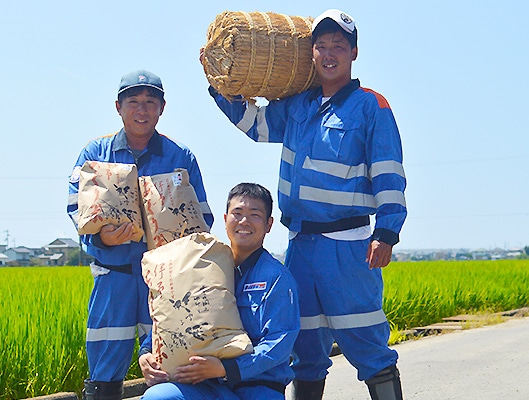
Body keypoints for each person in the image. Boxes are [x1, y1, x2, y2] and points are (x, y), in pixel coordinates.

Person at [202, 9, 407, 400]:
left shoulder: (371, 106)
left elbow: (388, 172)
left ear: (354, 53)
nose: (329, 54)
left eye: (338, 47)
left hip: (347, 247)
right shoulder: (298, 104)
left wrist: (387, 231)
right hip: (300, 247)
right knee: (306, 348)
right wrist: (218, 85)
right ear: (311, 52)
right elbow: (257, 125)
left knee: (366, 341)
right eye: (322, 46)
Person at [67, 69, 214, 400]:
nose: (142, 110)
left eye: (150, 102)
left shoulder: (180, 157)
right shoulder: (95, 154)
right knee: (104, 368)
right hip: (112, 277)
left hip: (165, 283)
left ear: (162, 108)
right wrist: (103, 238)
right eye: (133, 102)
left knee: (166, 368)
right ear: (118, 107)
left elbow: (203, 216)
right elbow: (75, 209)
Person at [138, 183, 301, 400]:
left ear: (269, 224)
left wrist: (227, 368)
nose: (244, 221)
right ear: (225, 220)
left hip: (258, 387)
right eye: (238, 213)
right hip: (208, 386)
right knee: (157, 397)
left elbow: (280, 342)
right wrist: (146, 353)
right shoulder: (201, 267)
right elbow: (173, 318)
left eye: (255, 215)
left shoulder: (277, 278)